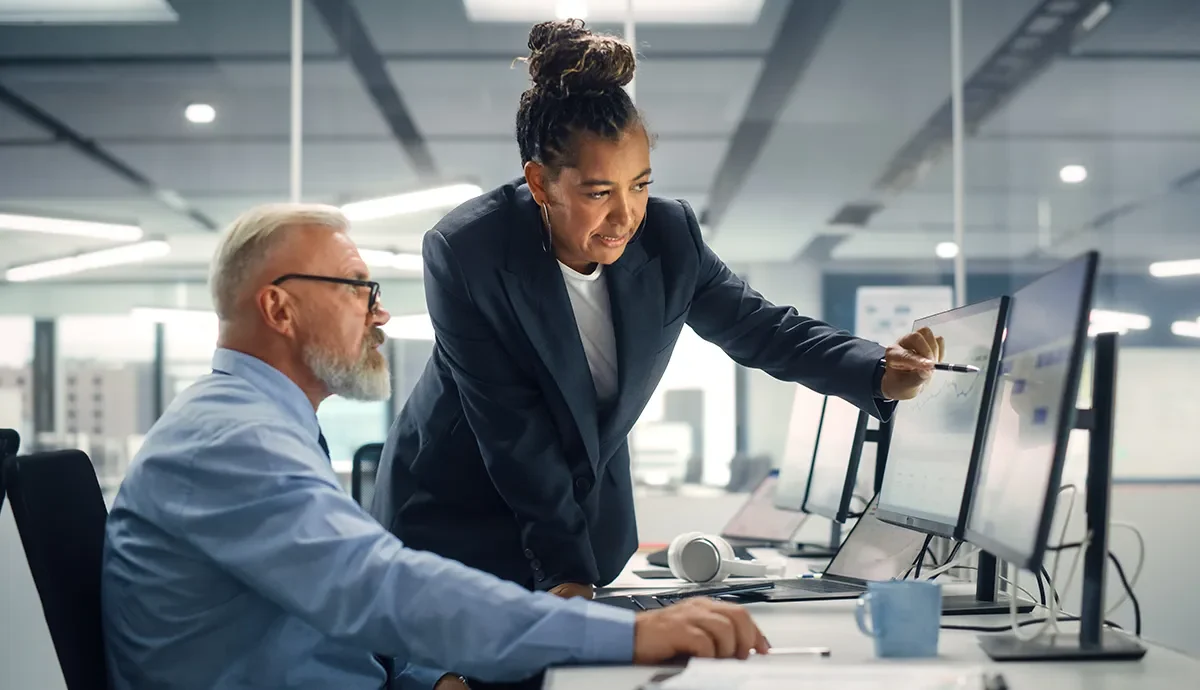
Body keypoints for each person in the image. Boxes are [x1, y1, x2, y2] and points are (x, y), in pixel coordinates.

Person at [371, 18, 944, 603]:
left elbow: (761, 328)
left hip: (578, 526)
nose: (626, 216)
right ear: (540, 183)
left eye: (639, 185)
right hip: (455, 513)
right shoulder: (470, 251)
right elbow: (511, 431)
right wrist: (565, 574)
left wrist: (877, 369)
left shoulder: (668, 236)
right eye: (599, 193)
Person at [99, 204, 769, 690]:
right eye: (358, 288)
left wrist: (429, 677)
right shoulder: (232, 443)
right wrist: (631, 636)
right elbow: (380, 587)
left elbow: (331, 608)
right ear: (279, 309)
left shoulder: (258, 424)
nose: (378, 312)